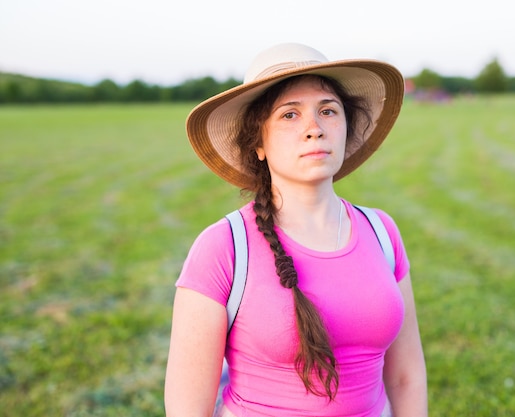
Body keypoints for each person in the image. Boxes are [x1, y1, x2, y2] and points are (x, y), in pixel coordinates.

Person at [164, 43, 428, 417]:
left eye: (328, 110)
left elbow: (406, 377)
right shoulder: (223, 247)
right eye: (290, 115)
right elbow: (187, 407)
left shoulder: (382, 232)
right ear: (258, 142)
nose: (314, 129)